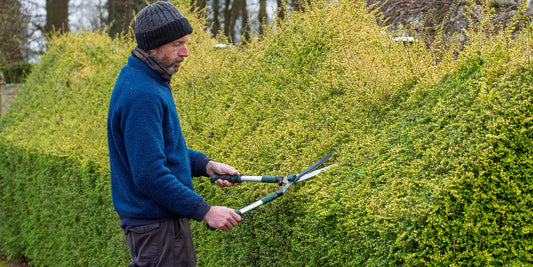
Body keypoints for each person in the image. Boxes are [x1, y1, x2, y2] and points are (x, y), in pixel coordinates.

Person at [106, 2, 241, 266]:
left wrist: (206, 165)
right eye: (177, 44)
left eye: (186, 42)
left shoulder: (144, 79)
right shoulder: (143, 94)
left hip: (156, 227)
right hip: (158, 229)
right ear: (154, 46)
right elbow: (149, 173)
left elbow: (162, 149)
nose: (186, 52)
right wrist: (205, 211)